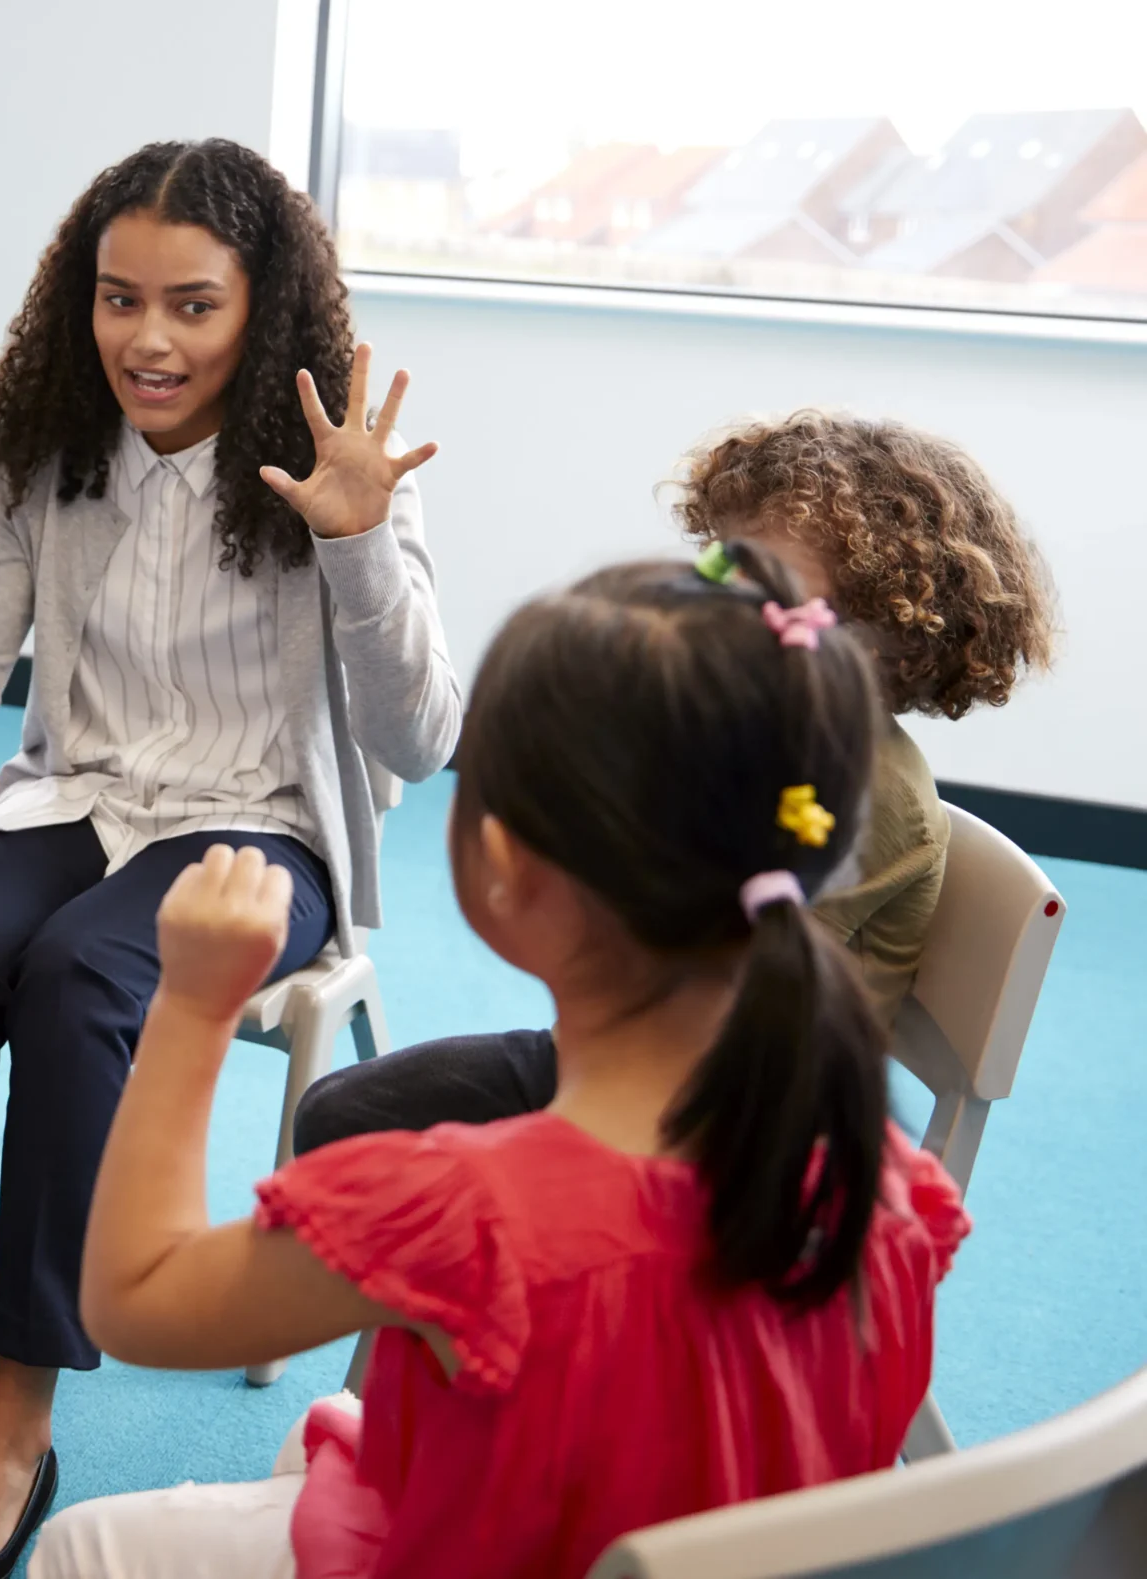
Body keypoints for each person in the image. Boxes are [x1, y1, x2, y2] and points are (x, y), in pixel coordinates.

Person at [33, 544, 970, 1579]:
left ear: (506, 866)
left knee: (86, 1544)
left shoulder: (459, 1218)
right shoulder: (890, 1188)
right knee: (331, 1433)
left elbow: (134, 1299)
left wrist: (194, 1004)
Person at [0, 138, 461, 1579]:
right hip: (72, 798)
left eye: (192, 305)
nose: (145, 338)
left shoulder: (342, 458)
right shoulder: (44, 449)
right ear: (75, 301)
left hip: (261, 825)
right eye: (117, 298)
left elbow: (419, 734)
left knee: (91, 972)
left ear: (261, 306)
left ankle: (18, 1423)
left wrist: (356, 540)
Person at [288, 409, 1057, 1152]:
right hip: (620, 1052)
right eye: (720, 568)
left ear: (889, 638)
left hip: (729, 1118)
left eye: (763, 597)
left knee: (401, 1158)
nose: (715, 608)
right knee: (342, 1111)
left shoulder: (871, 794)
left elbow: (717, 993)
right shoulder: (741, 717)